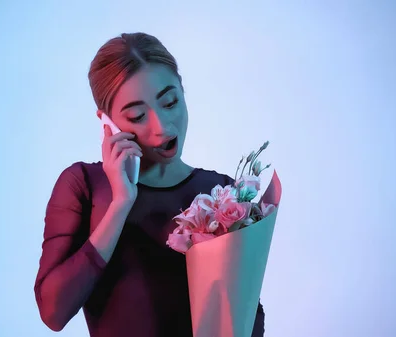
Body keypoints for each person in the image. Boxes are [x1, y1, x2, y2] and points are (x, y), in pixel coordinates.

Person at [33, 32, 265, 337]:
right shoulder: (83, 185)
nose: (163, 127)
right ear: (107, 123)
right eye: (138, 116)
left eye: (170, 102)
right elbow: (53, 312)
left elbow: (249, 316)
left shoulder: (222, 193)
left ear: (183, 91)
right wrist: (120, 204)